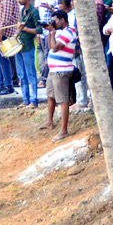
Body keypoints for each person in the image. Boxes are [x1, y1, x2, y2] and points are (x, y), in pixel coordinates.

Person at [39, 9, 76, 141]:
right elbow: (51, 46)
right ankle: (50, 121)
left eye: (55, 20)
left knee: (62, 100)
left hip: (62, 70)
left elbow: (55, 48)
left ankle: (64, 130)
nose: (53, 23)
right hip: (54, 69)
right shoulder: (61, 32)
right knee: (51, 95)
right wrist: (51, 33)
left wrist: (52, 32)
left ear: (62, 20)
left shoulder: (69, 32)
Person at [15, 0, 40, 108]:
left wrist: (25, 29)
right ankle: (26, 99)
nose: (19, 0)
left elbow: (39, 30)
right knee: (21, 75)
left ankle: (34, 100)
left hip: (28, 45)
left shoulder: (34, 12)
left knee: (31, 73)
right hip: (19, 45)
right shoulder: (22, 11)